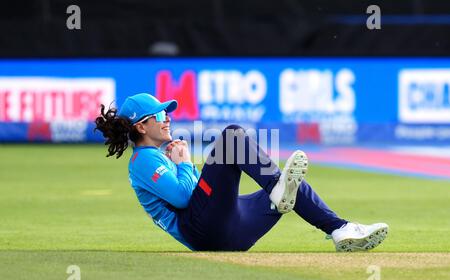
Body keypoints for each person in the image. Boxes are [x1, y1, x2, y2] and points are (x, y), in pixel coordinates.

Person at [94, 93, 388, 252]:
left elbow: (199, 192)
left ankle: (339, 229)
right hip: (202, 232)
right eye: (160, 114)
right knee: (233, 137)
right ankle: (276, 187)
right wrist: (185, 163)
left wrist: (186, 166)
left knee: (291, 185)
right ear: (142, 126)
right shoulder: (143, 160)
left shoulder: (157, 157)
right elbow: (185, 198)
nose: (167, 118)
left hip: (228, 233)